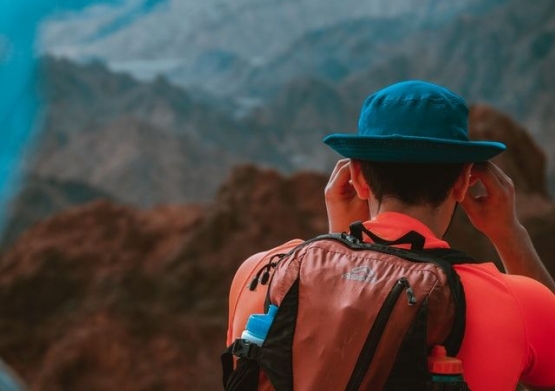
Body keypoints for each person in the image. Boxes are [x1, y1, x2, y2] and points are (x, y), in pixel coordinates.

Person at [226, 80, 555, 391]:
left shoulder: (260, 274)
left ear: (356, 177)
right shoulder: (517, 303)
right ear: (462, 182)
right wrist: (509, 233)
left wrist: (340, 241)